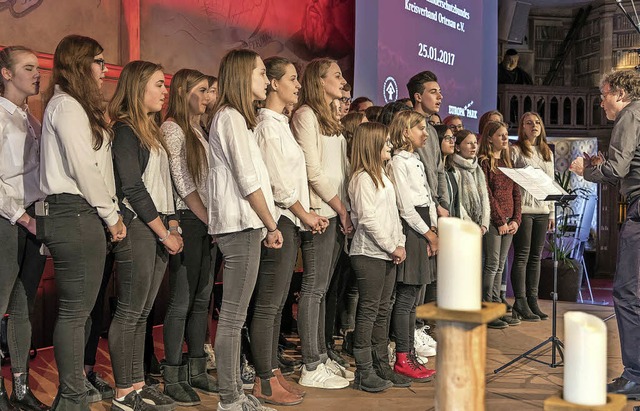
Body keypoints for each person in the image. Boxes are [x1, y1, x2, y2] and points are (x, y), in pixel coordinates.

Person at [40, 34, 126, 410]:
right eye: (99, 62)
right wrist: (112, 216)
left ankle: (72, 393)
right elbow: (84, 169)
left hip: (80, 213)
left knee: (81, 312)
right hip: (74, 213)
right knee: (75, 313)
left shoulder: (73, 106)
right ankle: (73, 395)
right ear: (79, 64)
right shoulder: (67, 106)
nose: (105, 70)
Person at [250, 56, 329, 406]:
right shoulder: (267, 127)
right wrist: (305, 214)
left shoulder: (280, 123)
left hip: (290, 220)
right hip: (279, 219)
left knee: (278, 302)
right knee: (268, 304)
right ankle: (263, 380)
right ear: (273, 83)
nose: (298, 85)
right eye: (292, 79)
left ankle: (272, 373)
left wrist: (305, 213)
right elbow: (280, 185)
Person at [207, 48, 281, 411]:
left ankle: (234, 394)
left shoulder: (237, 118)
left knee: (236, 317)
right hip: (240, 225)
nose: (267, 81)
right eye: (262, 73)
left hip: (245, 224)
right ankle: (229, 399)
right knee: (234, 317)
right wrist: (270, 223)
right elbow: (247, 178)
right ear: (242, 76)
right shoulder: (231, 118)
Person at [109, 60, 182, 411]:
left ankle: (137, 384)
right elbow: (133, 188)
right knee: (129, 311)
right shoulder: (125, 130)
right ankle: (123, 394)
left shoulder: (150, 130)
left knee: (142, 313)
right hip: (138, 227)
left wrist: (172, 225)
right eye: (158, 84)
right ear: (138, 88)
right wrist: (162, 231)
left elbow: (161, 186)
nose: (164, 91)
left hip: (156, 228)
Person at [570, 69, 640, 399]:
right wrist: (602, 167)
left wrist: (587, 170)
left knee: (627, 293)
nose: (601, 104)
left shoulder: (629, 115)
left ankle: (636, 376)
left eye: (604, 96)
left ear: (619, 93)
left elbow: (615, 171)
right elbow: (623, 171)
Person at [291, 57, 354, 390]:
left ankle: (321, 355)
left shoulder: (329, 118)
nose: (343, 80)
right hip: (320, 212)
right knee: (313, 290)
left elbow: (339, 170)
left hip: (334, 211)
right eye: (337, 75)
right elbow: (313, 171)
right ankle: (310, 362)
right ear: (318, 80)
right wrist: (341, 209)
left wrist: (344, 209)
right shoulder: (305, 115)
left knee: (323, 289)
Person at [161, 68, 219, 406]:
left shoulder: (199, 130)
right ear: (183, 92)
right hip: (185, 219)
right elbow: (182, 182)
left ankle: (197, 368)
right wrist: (208, 219)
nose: (209, 97)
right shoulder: (173, 128)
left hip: (203, 221)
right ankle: (172, 373)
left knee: (201, 299)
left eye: (210, 91)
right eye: (202, 90)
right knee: (181, 300)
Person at [0, 45, 50, 411]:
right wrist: (22, 217)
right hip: (8, 219)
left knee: (22, 305)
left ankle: (20, 390)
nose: (37, 73)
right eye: (28, 67)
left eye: (38, 67)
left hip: (33, 219)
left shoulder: (31, 119)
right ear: (6, 73)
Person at [348, 122, 406, 392]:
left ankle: (381, 364)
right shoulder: (362, 178)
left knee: (383, 310)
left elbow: (393, 215)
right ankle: (363, 370)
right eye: (385, 142)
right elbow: (368, 220)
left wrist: (400, 242)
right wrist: (389, 246)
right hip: (368, 253)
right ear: (372, 145)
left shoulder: (383, 175)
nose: (390, 146)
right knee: (369, 311)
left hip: (386, 252)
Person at [387, 110, 439, 382]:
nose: (425, 132)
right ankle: (403, 356)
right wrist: (428, 233)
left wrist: (434, 229)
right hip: (412, 227)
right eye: (420, 127)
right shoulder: (398, 161)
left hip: (424, 226)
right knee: (406, 297)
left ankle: (409, 355)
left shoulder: (415, 159)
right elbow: (405, 207)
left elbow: (428, 198)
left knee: (415, 296)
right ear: (405, 131)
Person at [510, 112, 554, 322]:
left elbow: (551, 182)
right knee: (522, 256)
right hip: (525, 210)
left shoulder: (547, 151)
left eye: (537, 122)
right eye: (529, 123)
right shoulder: (516, 150)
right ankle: (520, 301)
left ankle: (533, 300)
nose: (534, 125)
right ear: (522, 127)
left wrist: (552, 211)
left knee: (536, 257)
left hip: (543, 211)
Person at [478, 121, 522, 329]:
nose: (505, 139)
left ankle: (497, 306)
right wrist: (499, 221)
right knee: (492, 265)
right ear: (489, 138)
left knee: (500, 264)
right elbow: (487, 194)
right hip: (495, 222)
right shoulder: (484, 163)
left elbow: (516, 193)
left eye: (506, 135)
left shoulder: (508, 162)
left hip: (509, 222)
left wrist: (516, 220)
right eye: (500, 135)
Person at [450, 129, 490, 234]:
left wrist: (484, 224)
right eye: (469, 143)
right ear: (457, 147)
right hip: (462, 225)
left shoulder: (478, 169)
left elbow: (484, 197)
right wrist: (469, 223)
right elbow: (457, 200)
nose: (473, 146)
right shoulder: (453, 169)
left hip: (479, 225)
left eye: (475, 143)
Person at [434, 125, 462, 218]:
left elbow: (455, 203)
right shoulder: (433, 171)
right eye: (447, 138)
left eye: (452, 138)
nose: (452, 141)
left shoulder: (451, 170)